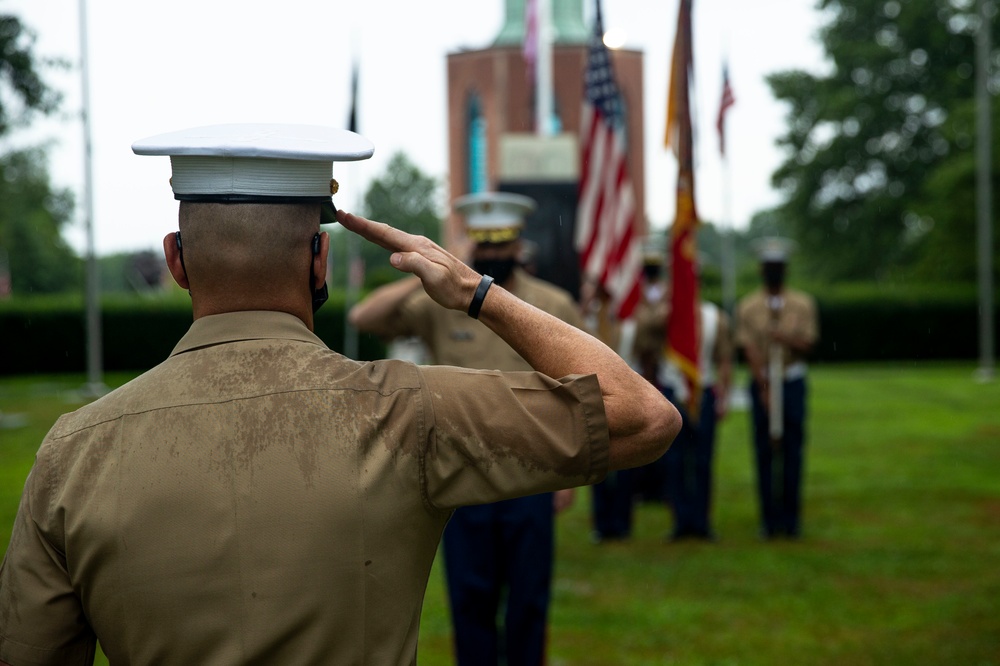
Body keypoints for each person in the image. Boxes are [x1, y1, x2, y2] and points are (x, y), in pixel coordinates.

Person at [0, 124, 682, 666]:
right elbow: (643, 415)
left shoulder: (70, 453)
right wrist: (478, 293)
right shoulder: (405, 412)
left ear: (176, 260)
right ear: (319, 260)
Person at [348, 191, 586, 666]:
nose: (493, 254)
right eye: (484, 245)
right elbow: (363, 317)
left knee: (529, 596)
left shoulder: (552, 304)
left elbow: (578, 386)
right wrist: (430, 267)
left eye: (501, 245)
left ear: (518, 246)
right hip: (460, 467)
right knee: (470, 598)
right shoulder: (441, 304)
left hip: (536, 465)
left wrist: (572, 472)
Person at [632, 245, 733, 541]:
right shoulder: (666, 315)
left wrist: (724, 394)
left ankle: (701, 520)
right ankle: (680, 520)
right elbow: (643, 339)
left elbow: (724, 358)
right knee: (674, 461)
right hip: (672, 390)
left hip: (704, 391)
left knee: (703, 460)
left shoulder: (715, 316)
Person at [735, 236, 818, 540]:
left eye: (778, 266)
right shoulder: (748, 306)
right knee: (763, 450)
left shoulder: (803, 303)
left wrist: (784, 338)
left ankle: (791, 520)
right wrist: (764, 387)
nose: (774, 271)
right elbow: (747, 348)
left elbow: (808, 342)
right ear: (761, 269)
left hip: (792, 380)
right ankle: (769, 520)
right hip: (763, 383)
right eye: (769, 266)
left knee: (793, 450)